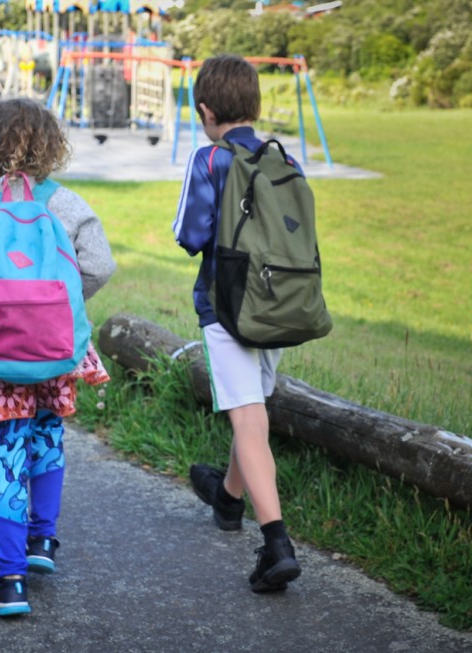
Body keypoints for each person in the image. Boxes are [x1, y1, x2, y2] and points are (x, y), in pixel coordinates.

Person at [0, 98, 116, 616]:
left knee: (8, 457)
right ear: (50, 147)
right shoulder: (68, 205)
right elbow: (101, 264)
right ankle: (42, 543)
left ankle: (10, 582)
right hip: (57, 351)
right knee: (49, 437)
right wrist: (59, 308)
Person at [171, 55, 302, 593]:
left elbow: (190, 235)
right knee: (251, 407)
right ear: (254, 106)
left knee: (247, 418)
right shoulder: (283, 158)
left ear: (205, 111)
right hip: (281, 303)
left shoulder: (209, 160)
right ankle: (228, 498)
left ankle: (276, 545)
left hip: (228, 307)